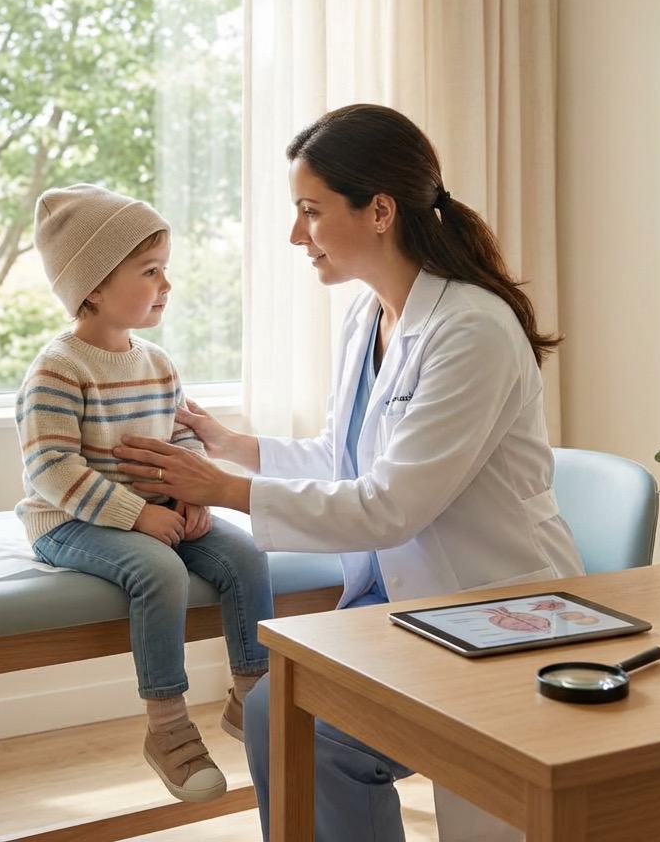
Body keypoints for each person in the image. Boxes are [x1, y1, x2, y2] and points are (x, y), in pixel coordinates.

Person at [111, 103, 585, 842]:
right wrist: (227, 445)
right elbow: (344, 460)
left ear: (379, 211)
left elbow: (390, 506)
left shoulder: (472, 331)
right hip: (400, 608)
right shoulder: (368, 319)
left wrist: (223, 490)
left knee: (315, 729)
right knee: (275, 708)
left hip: (492, 610)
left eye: (310, 211)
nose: (296, 234)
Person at [14, 183, 274, 805]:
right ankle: (167, 728)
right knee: (161, 572)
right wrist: (136, 516)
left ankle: (253, 697)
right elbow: (50, 466)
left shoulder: (156, 362)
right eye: (151, 271)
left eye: (166, 270)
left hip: (152, 514)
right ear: (95, 286)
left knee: (248, 554)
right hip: (69, 520)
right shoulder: (58, 367)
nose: (167, 284)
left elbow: (181, 436)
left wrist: (192, 498)